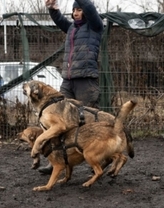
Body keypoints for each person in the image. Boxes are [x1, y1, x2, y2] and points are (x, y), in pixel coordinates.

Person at [38, 0, 104, 174]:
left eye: (79, 9)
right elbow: (60, 20)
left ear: (86, 11)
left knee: (90, 120)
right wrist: (53, 8)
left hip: (86, 79)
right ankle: (55, 161)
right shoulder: (72, 29)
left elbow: (90, 8)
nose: (75, 12)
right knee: (58, 119)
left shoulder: (95, 27)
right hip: (68, 79)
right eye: (74, 9)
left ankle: (101, 159)